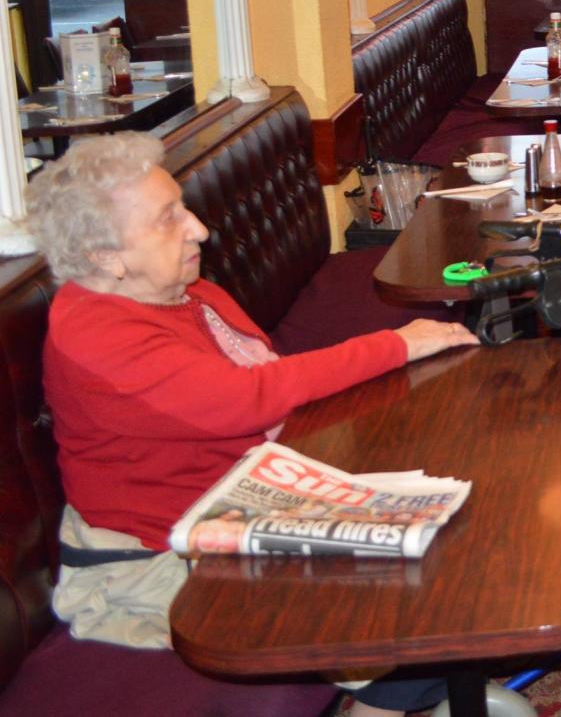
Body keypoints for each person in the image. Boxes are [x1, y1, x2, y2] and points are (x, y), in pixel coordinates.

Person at [27, 132, 479, 717]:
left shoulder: (186, 292)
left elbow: (264, 377)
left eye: (184, 207)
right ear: (104, 255)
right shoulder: (96, 334)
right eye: (169, 219)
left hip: (239, 496)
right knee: (391, 616)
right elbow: (249, 398)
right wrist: (397, 344)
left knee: (439, 536)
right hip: (155, 556)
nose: (199, 229)